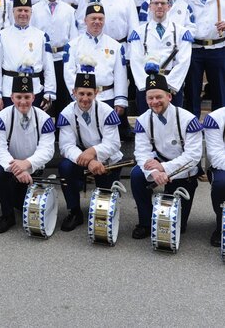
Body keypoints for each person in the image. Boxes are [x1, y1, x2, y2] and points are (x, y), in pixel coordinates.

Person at [130, 63, 203, 239]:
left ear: (169, 96)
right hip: (158, 165)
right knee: (137, 175)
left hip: (183, 169)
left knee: (176, 226)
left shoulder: (188, 119)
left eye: (159, 97)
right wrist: (155, 171)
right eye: (150, 98)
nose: (154, 102)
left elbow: (193, 156)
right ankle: (146, 222)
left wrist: (164, 168)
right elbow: (141, 153)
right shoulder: (142, 121)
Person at [57, 58, 123, 231]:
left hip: (107, 159)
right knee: (65, 167)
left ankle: (103, 210)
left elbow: (114, 143)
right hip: (83, 158)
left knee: (104, 201)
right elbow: (66, 146)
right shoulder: (66, 113)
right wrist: (89, 160)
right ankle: (74, 211)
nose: (85, 99)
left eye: (89, 94)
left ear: (96, 92)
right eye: (81, 94)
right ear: (74, 92)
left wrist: (93, 152)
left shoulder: (107, 112)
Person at [0, 73, 56, 233]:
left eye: (27, 97)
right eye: (19, 97)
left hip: (32, 170)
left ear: (33, 97)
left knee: (22, 204)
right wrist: (16, 168)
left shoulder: (45, 119)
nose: (23, 101)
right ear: (11, 97)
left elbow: (47, 150)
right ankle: (7, 215)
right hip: (10, 169)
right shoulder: (1, 117)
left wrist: (26, 165)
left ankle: (16, 201)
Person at [0, 0, 56, 111]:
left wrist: (49, 92)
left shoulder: (41, 36)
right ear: (13, 12)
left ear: (31, 12)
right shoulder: (1, 36)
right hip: (9, 90)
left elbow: (49, 67)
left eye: (26, 10)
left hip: (35, 90)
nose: (23, 14)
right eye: (19, 10)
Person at [128, 0, 193, 113]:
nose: (159, 6)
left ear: (169, 6)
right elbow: (136, 61)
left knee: (172, 124)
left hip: (171, 88)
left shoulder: (181, 32)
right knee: (147, 124)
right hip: (147, 87)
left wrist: (168, 85)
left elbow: (183, 61)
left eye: (163, 3)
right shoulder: (139, 33)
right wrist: (147, 86)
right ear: (150, 6)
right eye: (155, 3)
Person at [182, 0, 225, 117]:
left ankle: (220, 124)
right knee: (192, 90)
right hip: (195, 50)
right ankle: (192, 124)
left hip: (218, 49)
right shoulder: (187, 0)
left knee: (220, 90)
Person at [202, 107, 225, 246]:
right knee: (221, 183)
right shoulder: (215, 118)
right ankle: (221, 226)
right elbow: (216, 156)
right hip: (222, 167)